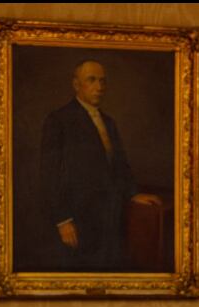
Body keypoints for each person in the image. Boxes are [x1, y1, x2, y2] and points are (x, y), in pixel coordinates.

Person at [40, 59, 160, 271]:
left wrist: (133, 193)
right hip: (78, 221)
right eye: (92, 80)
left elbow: (120, 166)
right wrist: (62, 220)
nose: (99, 87)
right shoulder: (59, 120)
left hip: (112, 218)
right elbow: (49, 174)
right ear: (76, 85)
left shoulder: (109, 122)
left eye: (102, 81)